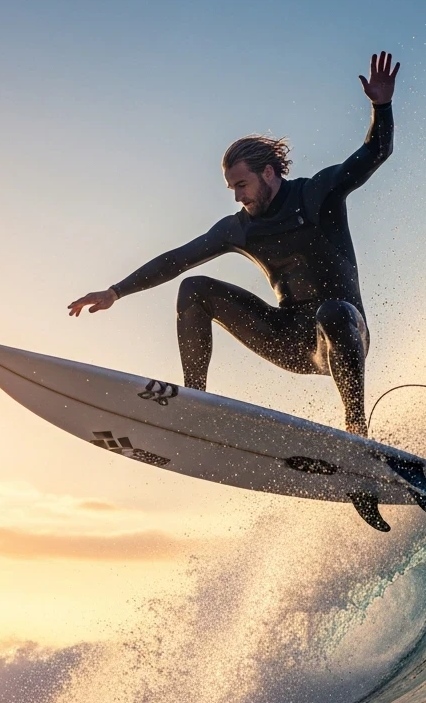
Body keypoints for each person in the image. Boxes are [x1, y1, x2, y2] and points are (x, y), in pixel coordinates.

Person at [68, 51, 400, 436]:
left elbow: (374, 153)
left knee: (334, 311)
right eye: (232, 189)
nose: (239, 197)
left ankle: (356, 426)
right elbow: (178, 259)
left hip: (342, 335)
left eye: (242, 185)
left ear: (269, 173)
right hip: (290, 340)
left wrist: (382, 106)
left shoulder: (316, 194)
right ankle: (196, 402)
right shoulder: (240, 229)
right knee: (194, 288)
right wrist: (115, 291)